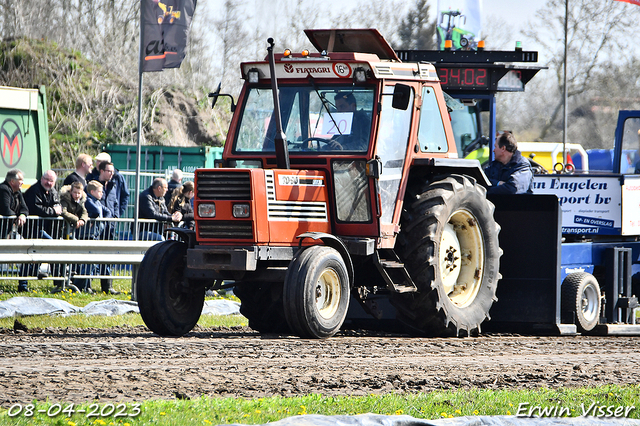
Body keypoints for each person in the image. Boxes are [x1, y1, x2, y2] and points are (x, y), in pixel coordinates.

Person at [21, 170, 62, 292]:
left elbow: (58, 205)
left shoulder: (53, 191)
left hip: (46, 229)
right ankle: (23, 284)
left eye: (51, 181)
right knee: (31, 256)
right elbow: (37, 209)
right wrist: (53, 211)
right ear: (41, 178)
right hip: (33, 229)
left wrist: (55, 210)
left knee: (43, 254)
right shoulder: (34, 190)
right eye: (46, 179)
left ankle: (58, 282)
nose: (49, 183)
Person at [84, 180, 120, 294]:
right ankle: (86, 286)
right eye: (100, 191)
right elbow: (95, 211)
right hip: (89, 235)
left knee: (98, 262)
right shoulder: (88, 200)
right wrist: (95, 218)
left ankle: (103, 287)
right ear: (92, 191)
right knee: (89, 263)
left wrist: (103, 220)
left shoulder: (98, 202)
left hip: (98, 234)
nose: (102, 194)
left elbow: (108, 211)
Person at [60, 181, 91, 292]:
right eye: (75, 192)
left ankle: (72, 280)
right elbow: (63, 212)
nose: (77, 195)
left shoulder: (81, 200)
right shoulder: (65, 199)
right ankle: (61, 282)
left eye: (79, 193)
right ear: (70, 191)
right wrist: (76, 219)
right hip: (62, 231)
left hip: (72, 232)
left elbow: (85, 212)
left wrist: (82, 220)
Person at [87, 152, 130, 218]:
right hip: (98, 220)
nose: (98, 163)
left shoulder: (117, 178)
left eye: (101, 161)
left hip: (111, 222)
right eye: (97, 161)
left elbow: (123, 197)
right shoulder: (91, 176)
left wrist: (116, 215)